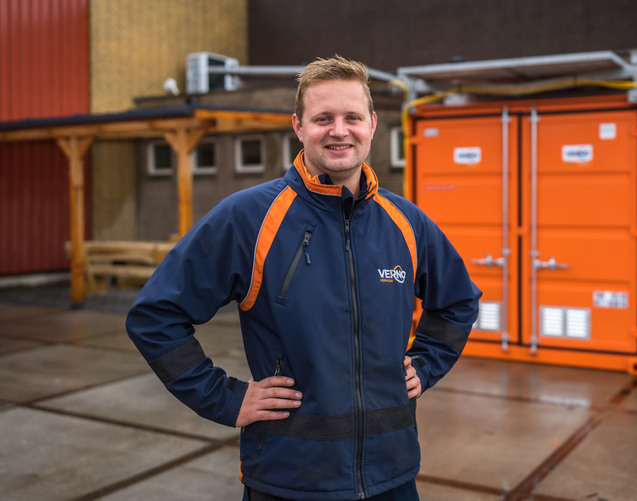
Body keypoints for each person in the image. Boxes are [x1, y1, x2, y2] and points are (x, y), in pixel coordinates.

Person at [126, 55, 481, 501]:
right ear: (298, 126)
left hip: (392, 475)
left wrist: (425, 365)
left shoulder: (405, 222)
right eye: (323, 118)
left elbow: (458, 300)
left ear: (372, 124)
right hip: (289, 479)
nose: (339, 131)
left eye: (353, 117)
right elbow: (155, 315)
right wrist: (225, 397)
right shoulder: (248, 218)